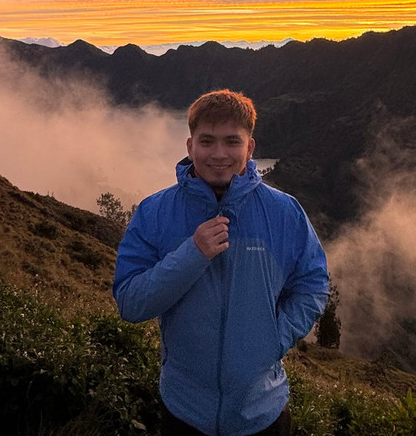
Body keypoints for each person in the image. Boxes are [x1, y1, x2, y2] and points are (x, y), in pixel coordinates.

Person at [114, 89, 329, 436]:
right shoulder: (154, 213)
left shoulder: (284, 212)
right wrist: (193, 253)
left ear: (250, 147)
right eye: (207, 141)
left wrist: (274, 339)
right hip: (184, 413)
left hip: (263, 413)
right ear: (189, 146)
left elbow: (313, 285)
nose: (218, 154)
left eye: (232, 141)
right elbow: (130, 301)